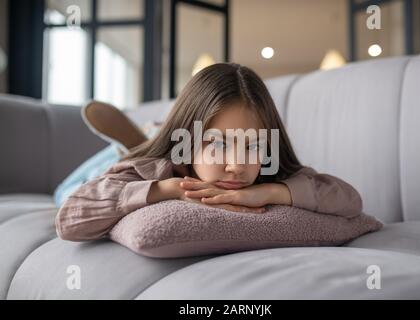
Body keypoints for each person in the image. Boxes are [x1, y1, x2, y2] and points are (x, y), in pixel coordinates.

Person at [55, 63, 363, 242]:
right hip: (148, 160)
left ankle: (150, 134)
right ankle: (134, 144)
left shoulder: (269, 173)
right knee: (64, 190)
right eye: (218, 144)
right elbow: (70, 216)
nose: (237, 166)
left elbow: (349, 200)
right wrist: (167, 189)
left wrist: (270, 192)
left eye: (253, 145)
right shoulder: (157, 170)